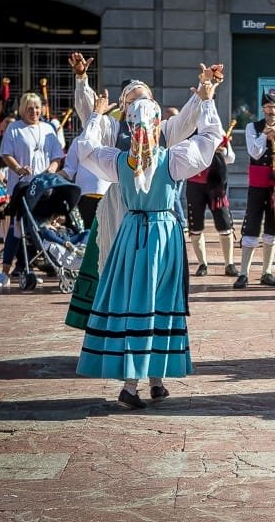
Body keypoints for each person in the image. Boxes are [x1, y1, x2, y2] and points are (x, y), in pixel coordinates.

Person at [74, 80, 222, 409]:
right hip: (162, 234)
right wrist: (207, 101)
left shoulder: (118, 161)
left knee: (134, 301)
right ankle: (133, 385)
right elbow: (210, 139)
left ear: (128, 124)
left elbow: (84, 150)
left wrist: (97, 117)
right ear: (158, 123)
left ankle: (154, 381)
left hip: (131, 234)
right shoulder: (172, 160)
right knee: (156, 303)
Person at [64, 52, 214, 329]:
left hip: (154, 206)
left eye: (144, 100)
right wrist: (82, 80)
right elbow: (89, 117)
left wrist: (203, 92)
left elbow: (189, 120)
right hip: (120, 204)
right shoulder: (112, 127)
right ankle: (114, 319)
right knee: (114, 260)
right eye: (132, 101)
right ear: (122, 106)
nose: (138, 107)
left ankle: (144, 321)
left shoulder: (165, 131)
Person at [0, 92, 65, 288]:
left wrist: (51, 170)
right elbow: (6, 154)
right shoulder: (15, 128)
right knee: (17, 229)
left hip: (44, 188)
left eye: (37, 108)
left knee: (37, 228)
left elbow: (57, 156)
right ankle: (5, 273)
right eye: (30, 108)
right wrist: (19, 169)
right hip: (22, 188)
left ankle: (28, 269)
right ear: (23, 109)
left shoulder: (48, 129)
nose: (34, 111)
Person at [234, 89, 275, 288]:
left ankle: (267, 271)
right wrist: (265, 135)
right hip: (257, 184)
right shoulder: (252, 128)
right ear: (263, 108)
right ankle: (244, 272)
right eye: (269, 107)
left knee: (273, 227)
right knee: (252, 225)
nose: (273, 111)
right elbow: (254, 151)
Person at [186, 123, 238, 278]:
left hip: (216, 185)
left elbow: (231, 158)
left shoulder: (218, 131)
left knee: (224, 223)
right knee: (195, 226)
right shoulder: (188, 132)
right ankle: (202, 263)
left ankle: (229, 263)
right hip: (195, 183)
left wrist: (223, 150)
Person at [59, 131, 110, 230]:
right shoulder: (78, 141)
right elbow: (69, 170)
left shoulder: (113, 139)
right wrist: (52, 176)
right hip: (85, 198)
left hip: (108, 197)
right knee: (87, 234)